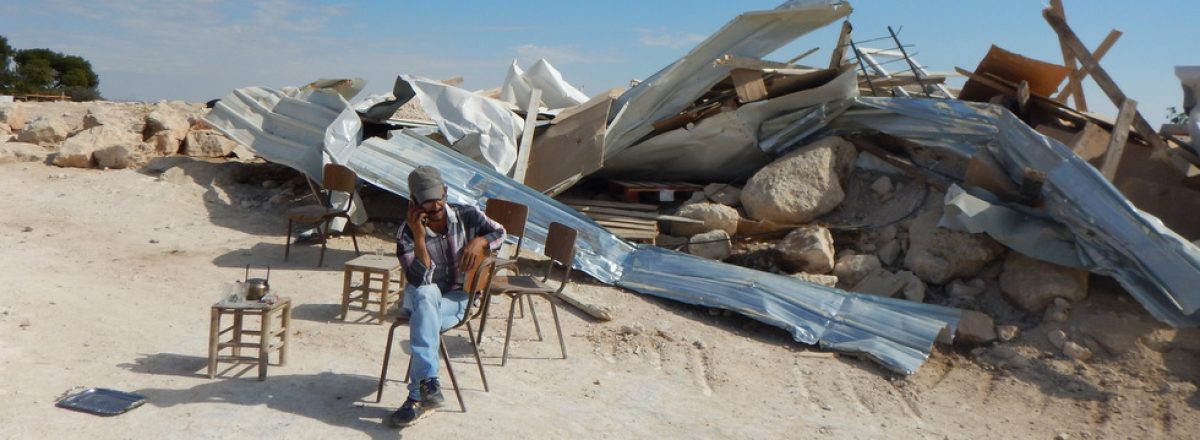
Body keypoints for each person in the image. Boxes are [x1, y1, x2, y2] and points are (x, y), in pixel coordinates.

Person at [389, 165, 505, 428]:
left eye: (437, 197)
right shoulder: (405, 234)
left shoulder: (468, 215)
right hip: (420, 297)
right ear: (414, 203)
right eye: (426, 201)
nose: (435, 206)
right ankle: (428, 384)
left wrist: (479, 242)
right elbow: (420, 280)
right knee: (426, 296)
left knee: (423, 322)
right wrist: (419, 237)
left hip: (458, 298)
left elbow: (500, 232)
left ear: (445, 191)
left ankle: (418, 395)